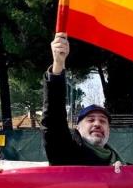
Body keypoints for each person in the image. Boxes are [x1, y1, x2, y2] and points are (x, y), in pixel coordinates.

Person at [42, 32, 126, 169]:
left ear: (109, 131)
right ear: (78, 128)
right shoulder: (65, 153)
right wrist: (58, 64)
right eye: (91, 120)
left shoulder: (123, 167)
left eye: (103, 121)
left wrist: (124, 177)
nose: (98, 124)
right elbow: (53, 119)